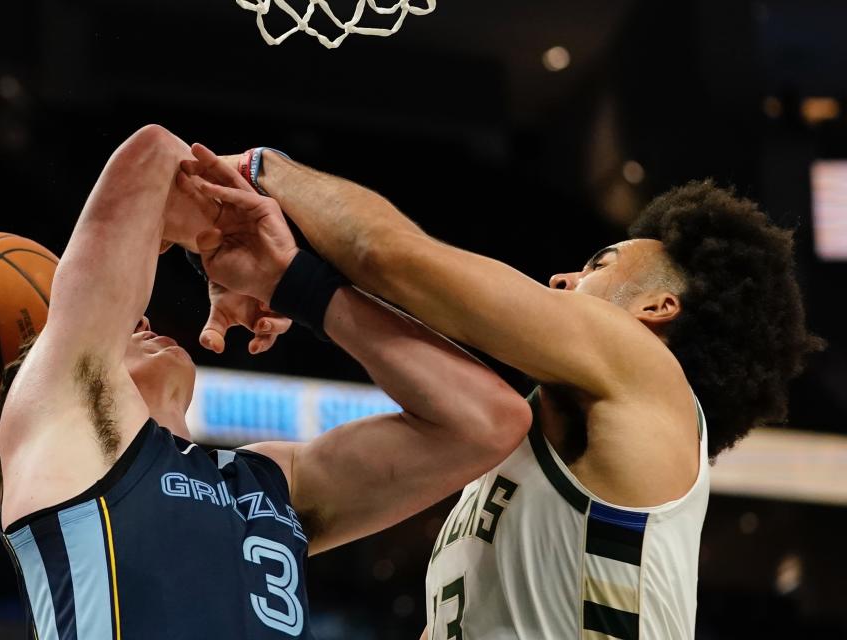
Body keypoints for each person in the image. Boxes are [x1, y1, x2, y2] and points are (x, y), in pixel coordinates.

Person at [180, 145, 822, 639]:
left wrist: (258, 169)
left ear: (659, 306)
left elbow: (388, 255)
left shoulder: (644, 370)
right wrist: (287, 282)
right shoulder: (514, 464)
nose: (564, 275)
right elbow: (439, 355)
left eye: (601, 262)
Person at [0, 125, 533, 640]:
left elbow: (488, 422)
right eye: (119, 332)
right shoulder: (62, 420)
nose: (140, 321)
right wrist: (219, 207)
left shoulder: (266, 485)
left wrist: (292, 282)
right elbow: (152, 157)